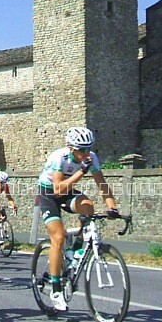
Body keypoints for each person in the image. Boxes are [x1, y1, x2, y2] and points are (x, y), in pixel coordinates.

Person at [37, 126, 118, 311]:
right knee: (58, 237)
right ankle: (56, 289)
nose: (86, 153)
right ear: (72, 148)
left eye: (89, 148)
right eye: (82, 150)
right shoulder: (60, 157)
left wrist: (112, 207)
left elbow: (102, 184)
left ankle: (76, 249)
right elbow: (57, 189)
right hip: (49, 193)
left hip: (68, 191)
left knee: (88, 206)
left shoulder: (91, 158)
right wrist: (81, 171)